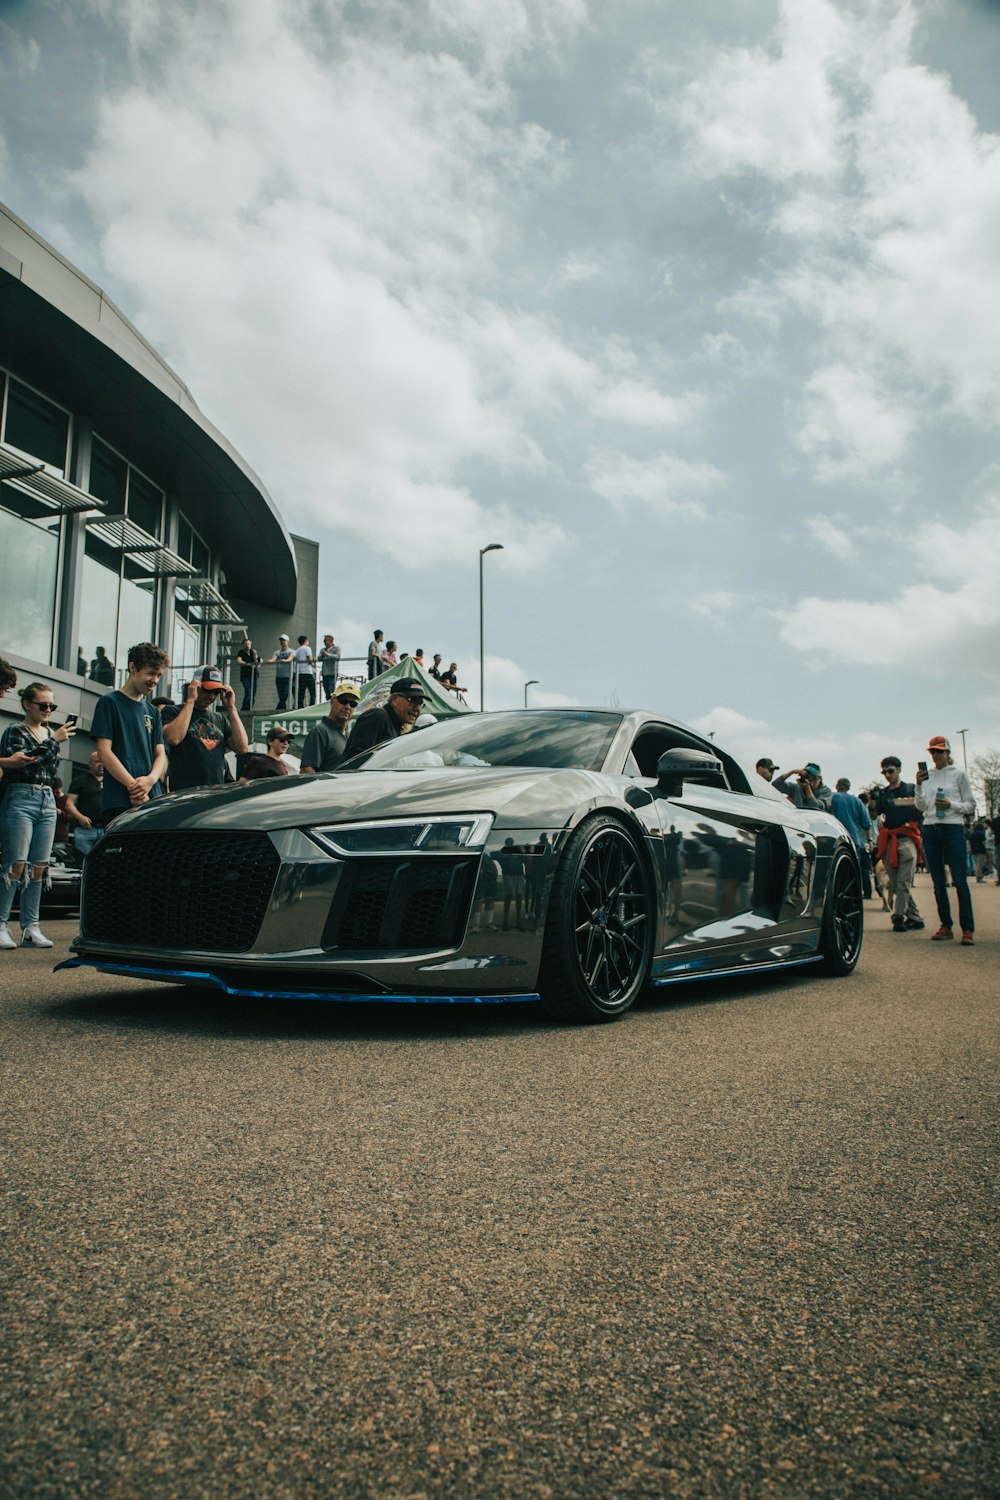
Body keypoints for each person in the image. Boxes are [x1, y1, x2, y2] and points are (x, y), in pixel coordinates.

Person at [0, 682, 77, 948]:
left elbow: (49, 770)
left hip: (46, 799)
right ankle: (1, 924)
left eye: (51, 706)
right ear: (26, 704)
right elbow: (26, 760)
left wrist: (51, 740)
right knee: (15, 863)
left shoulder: (47, 732)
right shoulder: (15, 731)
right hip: (20, 797)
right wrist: (53, 741)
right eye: (42, 705)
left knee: (40, 866)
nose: (48, 710)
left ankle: (31, 927)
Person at [915, 735, 977, 944]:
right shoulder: (928, 775)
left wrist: (952, 805)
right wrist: (918, 786)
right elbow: (921, 806)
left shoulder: (958, 774)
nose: (936, 756)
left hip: (952, 826)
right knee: (938, 882)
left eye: (940, 751)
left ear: (947, 753)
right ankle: (946, 925)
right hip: (931, 826)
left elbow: (970, 805)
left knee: (959, 880)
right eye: (933, 752)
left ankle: (967, 929)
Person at [161, 666, 249, 791]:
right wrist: (190, 700)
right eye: (208, 690)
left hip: (214, 792)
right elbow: (173, 738)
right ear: (195, 686)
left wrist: (231, 708)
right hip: (184, 792)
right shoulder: (173, 711)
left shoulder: (220, 719)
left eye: (216, 692)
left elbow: (242, 748)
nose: (211, 696)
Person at [871, 755, 924, 932]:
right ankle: (915, 917)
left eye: (890, 771)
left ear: (899, 770)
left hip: (907, 836)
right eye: (884, 772)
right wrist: (873, 800)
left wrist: (919, 789)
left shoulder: (910, 788)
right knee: (897, 883)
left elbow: (920, 809)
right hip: (889, 838)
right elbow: (873, 815)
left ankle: (898, 916)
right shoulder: (883, 794)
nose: (887, 775)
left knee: (903, 882)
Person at [346, 678, 425, 756]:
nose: (417, 708)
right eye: (413, 701)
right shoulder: (377, 717)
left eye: (420, 704)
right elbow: (356, 758)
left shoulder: (394, 725)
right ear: (395, 699)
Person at [300, 682, 361, 773]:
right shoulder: (320, 732)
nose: (348, 707)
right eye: (343, 700)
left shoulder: (347, 737)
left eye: (353, 704)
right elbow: (307, 770)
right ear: (332, 701)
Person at [831, 777, 873, 899]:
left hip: (836, 839)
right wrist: (869, 841)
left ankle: (838, 897)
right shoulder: (857, 801)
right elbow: (866, 823)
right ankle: (853, 898)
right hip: (854, 840)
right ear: (848, 787)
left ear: (838, 786)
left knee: (837, 872)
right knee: (853, 871)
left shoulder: (833, 798)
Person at [65, 749, 106, 858]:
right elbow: (69, 803)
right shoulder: (80, 780)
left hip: (106, 829)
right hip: (85, 830)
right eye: (97, 761)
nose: (101, 764)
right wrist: (80, 817)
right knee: (84, 862)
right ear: (90, 764)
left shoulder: (111, 781)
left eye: (103, 761)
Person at [497, 837, 526, 930]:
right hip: (508, 874)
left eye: (511, 843)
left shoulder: (516, 851)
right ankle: (506, 922)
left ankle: (518, 921)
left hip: (518, 874)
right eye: (509, 843)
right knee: (509, 896)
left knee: (518, 896)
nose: (510, 844)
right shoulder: (503, 852)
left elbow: (524, 859)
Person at [268, 635, 295, 710]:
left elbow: (290, 658)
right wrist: (268, 661)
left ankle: (278, 709)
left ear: (287, 641)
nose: (282, 642)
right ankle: (282, 708)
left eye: (284, 640)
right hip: (279, 676)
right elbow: (273, 659)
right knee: (281, 695)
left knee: (285, 693)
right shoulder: (277, 652)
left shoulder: (291, 651)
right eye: (281, 641)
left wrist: (285, 660)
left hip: (288, 676)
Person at [236, 637, 261, 711]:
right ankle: (244, 709)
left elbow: (260, 660)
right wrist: (248, 664)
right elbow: (239, 661)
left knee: (253, 694)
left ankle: (249, 708)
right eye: (246, 644)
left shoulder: (253, 653)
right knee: (248, 691)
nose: (247, 645)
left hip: (254, 675)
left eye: (248, 644)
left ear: (251, 645)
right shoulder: (241, 652)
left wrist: (258, 664)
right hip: (245, 676)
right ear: (243, 645)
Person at [294, 635, 316, 708]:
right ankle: (312, 706)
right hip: (307, 672)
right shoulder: (307, 648)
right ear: (306, 641)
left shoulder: (297, 650)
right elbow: (309, 659)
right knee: (312, 691)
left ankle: (300, 706)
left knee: (301, 692)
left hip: (300, 673)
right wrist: (313, 662)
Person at [318, 635, 342, 701]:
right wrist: (322, 656)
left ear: (330, 641)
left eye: (325, 640)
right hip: (325, 673)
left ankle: (332, 704)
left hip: (332, 673)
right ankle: (328, 704)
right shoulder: (322, 650)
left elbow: (337, 656)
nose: (324, 642)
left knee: (331, 691)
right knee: (326, 691)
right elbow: (319, 658)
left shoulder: (336, 648)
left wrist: (327, 654)